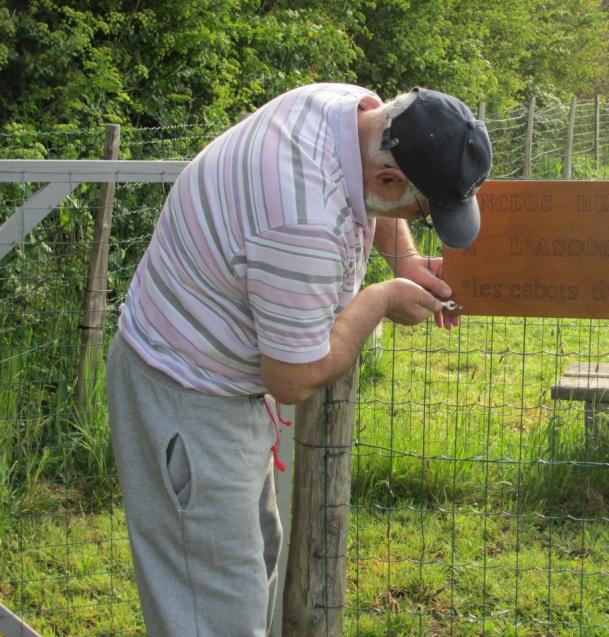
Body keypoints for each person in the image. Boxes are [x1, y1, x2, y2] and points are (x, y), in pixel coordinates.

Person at [106, 83, 492, 636]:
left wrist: (404, 259)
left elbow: (374, 195)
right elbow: (292, 377)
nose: (423, 219)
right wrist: (379, 300)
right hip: (185, 397)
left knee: (253, 558)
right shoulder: (302, 220)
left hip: (215, 382)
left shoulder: (354, 111)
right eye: (425, 211)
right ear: (389, 179)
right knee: (214, 610)